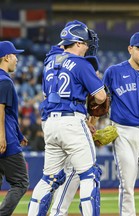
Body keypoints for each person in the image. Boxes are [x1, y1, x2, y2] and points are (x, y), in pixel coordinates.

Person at [28, 20, 106, 216]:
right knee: (90, 175)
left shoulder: (50, 62)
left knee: (49, 178)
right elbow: (101, 97)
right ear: (78, 43)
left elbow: (57, 50)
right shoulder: (81, 64)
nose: (88, 46)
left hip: (50, 124)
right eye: (86, 42)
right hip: (71, 121)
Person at [103, 32, 139, 216]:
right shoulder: (113, 72)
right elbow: (100, 101)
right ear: (130, 49)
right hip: (123, 132)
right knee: (127, 182)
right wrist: (93, 121)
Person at [0, 41, 29, 215]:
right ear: (6, 57)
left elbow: (9, 114)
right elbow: (1, 110)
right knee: (21, 182)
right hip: (5, 141)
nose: (17, 59)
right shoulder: (4, 81)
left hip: (9, 135)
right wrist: (2, 137)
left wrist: (19, 134)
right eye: (14, 55)